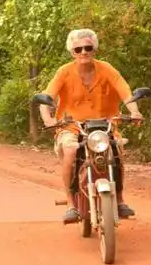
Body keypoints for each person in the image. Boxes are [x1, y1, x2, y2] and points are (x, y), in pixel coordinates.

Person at [38, 29, 142, 224]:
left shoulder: (107, 69)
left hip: (106, 126)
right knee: (70, 151)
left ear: (94, 49)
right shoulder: (64, 72)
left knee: (117, 150)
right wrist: (48, 119)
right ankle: (71, 204)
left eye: (88, 48)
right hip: (72, 127)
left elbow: (126, 93)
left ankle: (119, 200)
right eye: (78, 49)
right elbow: (46, 98)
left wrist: (135, 112)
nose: (83, 52)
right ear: (72, 52)